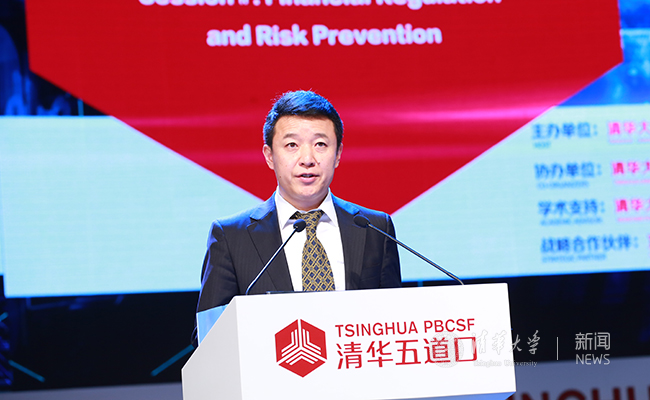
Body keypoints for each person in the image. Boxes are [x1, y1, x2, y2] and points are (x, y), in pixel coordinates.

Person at [196, 90, 401, 313]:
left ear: (338, 154)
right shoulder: (231, 237)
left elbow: (395, 319)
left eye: (320, 144)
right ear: (269, 156)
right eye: (292, 145)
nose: (307, 159)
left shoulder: (375, 229)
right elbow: (209, 329)